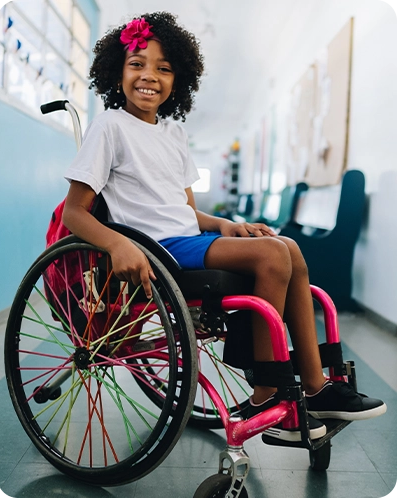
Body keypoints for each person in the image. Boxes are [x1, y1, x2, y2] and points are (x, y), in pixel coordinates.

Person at [62, 12, 386, 443]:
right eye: (137, 63)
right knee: (274, 254)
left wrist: (228, 225)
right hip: (156, 248)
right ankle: (268, 387)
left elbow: (185, 210)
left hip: (187, 239)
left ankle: (316, 386)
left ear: (178, 79)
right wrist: (118, 245)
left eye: (163, 68)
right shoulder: (108, 127)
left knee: (283, 244)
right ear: (116, 70)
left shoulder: (174, 134)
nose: (149, 76)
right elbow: (74, 213)